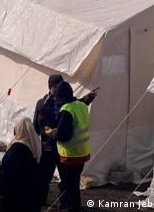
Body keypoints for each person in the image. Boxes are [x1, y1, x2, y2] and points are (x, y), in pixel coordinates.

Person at [34, 75, 96, 210]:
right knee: (45, 176)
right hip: (49, 147)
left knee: (67, 180)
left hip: (65, 149)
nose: (57, 89)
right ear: (50, 87)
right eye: (55, 86)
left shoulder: (65, 104)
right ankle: (40, 200)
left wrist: (86, 99)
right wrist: (37, 143)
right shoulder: (42, 103)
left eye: (59, 86)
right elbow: (36, 126)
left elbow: (71, 107)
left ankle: (66, 203)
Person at [48, 81, 92, 212]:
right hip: (83, 151)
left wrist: (51, 132)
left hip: (71, 153)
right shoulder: (81, 105)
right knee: (75, 182)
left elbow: (63, 135)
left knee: (70, 184)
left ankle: (74, 208)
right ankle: (75, 206)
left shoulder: (66, 110)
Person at [0, 117, 41, 212]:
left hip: (15, 196)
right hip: (30, 194)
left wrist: (2, 191)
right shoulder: (34, 144)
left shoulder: (16, 149)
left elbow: (7, 174)